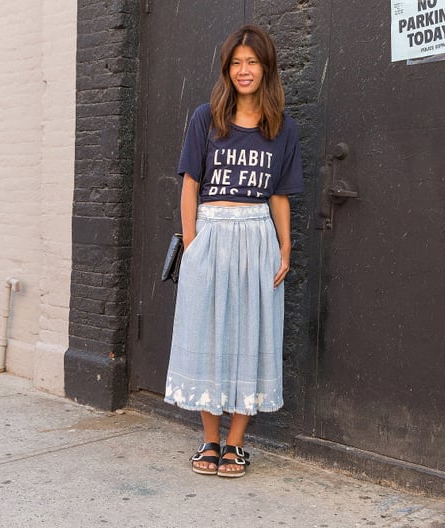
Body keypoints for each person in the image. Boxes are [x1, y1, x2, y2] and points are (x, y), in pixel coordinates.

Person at [164, 24, 304, 478]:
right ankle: (209, 438)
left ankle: (236, 443)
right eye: (236, 63)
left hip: (257, 237)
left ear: (266, 69)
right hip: (211, 234)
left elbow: (280, 195)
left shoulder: (282, 129)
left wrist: (285, 248)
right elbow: (190, 184)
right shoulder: (205, 118)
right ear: (228, 69)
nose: (244, 71)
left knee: (251, 334)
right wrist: (193, 243)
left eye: (252, 62)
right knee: (207, 333)